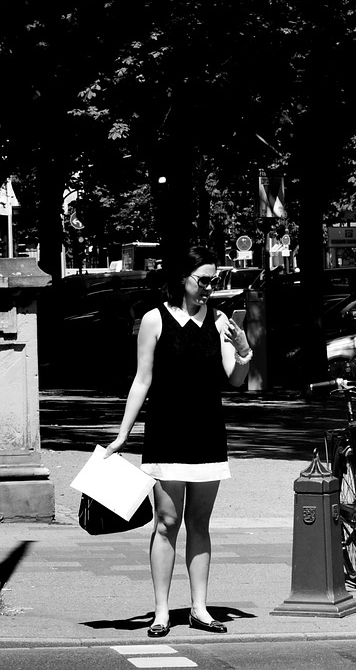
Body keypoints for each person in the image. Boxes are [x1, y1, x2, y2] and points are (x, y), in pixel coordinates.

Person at [104, 245, 252, 638]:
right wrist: (123, 435)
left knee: (199, 524)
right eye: (203, 280)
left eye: (213, 281)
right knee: (166, 523)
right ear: (182, 279)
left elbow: (235, 379)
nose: (208, 288)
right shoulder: (155, 320)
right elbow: (142, 380)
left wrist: (243, 351)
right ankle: (161, 612)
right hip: (167, 433)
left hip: (207, 434)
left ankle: (200, 609)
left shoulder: (219, 321)